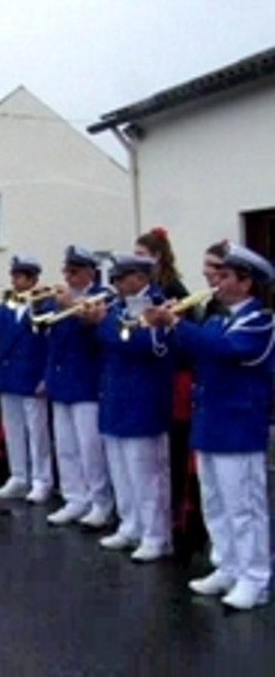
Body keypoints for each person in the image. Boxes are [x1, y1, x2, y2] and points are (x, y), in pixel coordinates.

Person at [146, 244, 274, 610]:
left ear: (246, 283)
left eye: (225, 276)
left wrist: (177, 323)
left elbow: (225, 349)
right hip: (210, 423)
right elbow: (193, 351)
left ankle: (255, 577)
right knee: (215, 502)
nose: (216, 281)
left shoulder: (260, 321)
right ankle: (227, 565)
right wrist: (164, 326)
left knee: (243, 507)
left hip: (238, 427)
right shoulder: (217, 319)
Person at [82, 253, 174, 562]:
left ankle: (155, 534)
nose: (117, 285)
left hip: (143, 399)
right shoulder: (119, 307)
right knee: (121, 470)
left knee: (146, 474)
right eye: (115, 279)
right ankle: (131, 523)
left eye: (122, 278)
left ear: (141, 277)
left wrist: (102, 323)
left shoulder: (156, 305)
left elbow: (142, 344)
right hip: (116, 397)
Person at [135, 227, 204, 559]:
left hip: (177, 375)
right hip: (162, 372)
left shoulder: (173, 289)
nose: (137, 260)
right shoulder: (151, 289)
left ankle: (179, 516)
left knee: (174, 446)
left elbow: (183, 338)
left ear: (157, 256)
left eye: (142, 255)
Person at [42, 246, 113, 528]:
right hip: (61, 382)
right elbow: (52, 341)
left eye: (74, 272)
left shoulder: (103, 297)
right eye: (66, 271)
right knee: (66, 447)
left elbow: (98, 337)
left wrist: (72, 306)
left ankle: (100, 502)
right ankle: (74, 498)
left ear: (89, 273)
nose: (68, 277)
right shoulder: (59, 300)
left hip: (87, 383)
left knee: (90, 449)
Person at [0, 256, 52, 503]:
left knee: (37, 433)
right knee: (13, 430)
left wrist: (45, 377)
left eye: (19, 277)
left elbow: (49, 343)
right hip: (7, 375)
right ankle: (19, 476)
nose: (14, 281)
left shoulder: (45, 306)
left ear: (32, 280)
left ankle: (41, 480)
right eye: (13, 276)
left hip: (31, 376)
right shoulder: (5, 308)